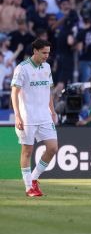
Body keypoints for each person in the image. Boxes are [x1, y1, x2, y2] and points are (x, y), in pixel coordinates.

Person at [11, 39, 58, 197]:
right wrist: (17, 115)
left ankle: (34, 178)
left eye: (48, 53)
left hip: (44, 116)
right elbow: (14, 92)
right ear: (35, 51)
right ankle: (28, 187)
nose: (46, 56)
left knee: (53, 148)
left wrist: (52, 111)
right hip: (27, 116)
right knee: (27, 151)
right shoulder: (22, 68)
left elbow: (48, 91)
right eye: (44, 52)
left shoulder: (47, 67)